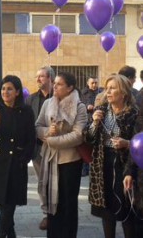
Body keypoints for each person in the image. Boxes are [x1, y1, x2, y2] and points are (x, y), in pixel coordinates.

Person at [0, 75, 36, 238]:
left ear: (17, 91)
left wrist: (23, 160)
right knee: (4, 206)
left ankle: (0, 235)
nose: (5, 92)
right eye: (3, 88)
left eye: (10, 88)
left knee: (8, 206)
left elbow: (30, 139)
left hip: (15, 165)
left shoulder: (26, 111)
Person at [36, 72, 88, 238]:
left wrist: (53, 140)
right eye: (55, 83)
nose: (55, 86)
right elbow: (37, 126)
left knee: (68, 203)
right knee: (52, 202)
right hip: (50, 159)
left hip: (70, 160)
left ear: (70, 87)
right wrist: (47, 132)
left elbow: (78, 135)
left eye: (59, 84)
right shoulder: (48, 103)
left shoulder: (79, 106)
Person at [86, 74, 138, 238]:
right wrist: (94, 123)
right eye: (107, 88)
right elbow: (89, 139)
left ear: (123, 92)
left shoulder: (134, 114)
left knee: (127, 207)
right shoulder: (100, 111)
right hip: (103, 165)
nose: (107, 92)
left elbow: (139, 143)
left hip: (126, 164)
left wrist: (126, 143)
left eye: (112, 88)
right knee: (107, 209)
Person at [25, 66, 55, 230]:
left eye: (41, 77)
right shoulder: (31, 99)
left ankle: (57, 213)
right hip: (38, 149)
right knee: (42, 183)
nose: (38, 79)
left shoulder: (58, 97)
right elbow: (28, 123)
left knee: (57, 182)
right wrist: (38, 134)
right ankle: (46, 215)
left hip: (58, 148)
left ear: (50, 78)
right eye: (37, 76)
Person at [81, 76, 103, 176]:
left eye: (95, 83)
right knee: (86, 145)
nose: (94, 85)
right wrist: (87, 106)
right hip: (87, 121)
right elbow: (79, 105)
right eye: (92, 83)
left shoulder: (101, 92)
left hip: (99, 122)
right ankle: (85, 169)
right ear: (88, 83)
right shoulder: (83, 93)